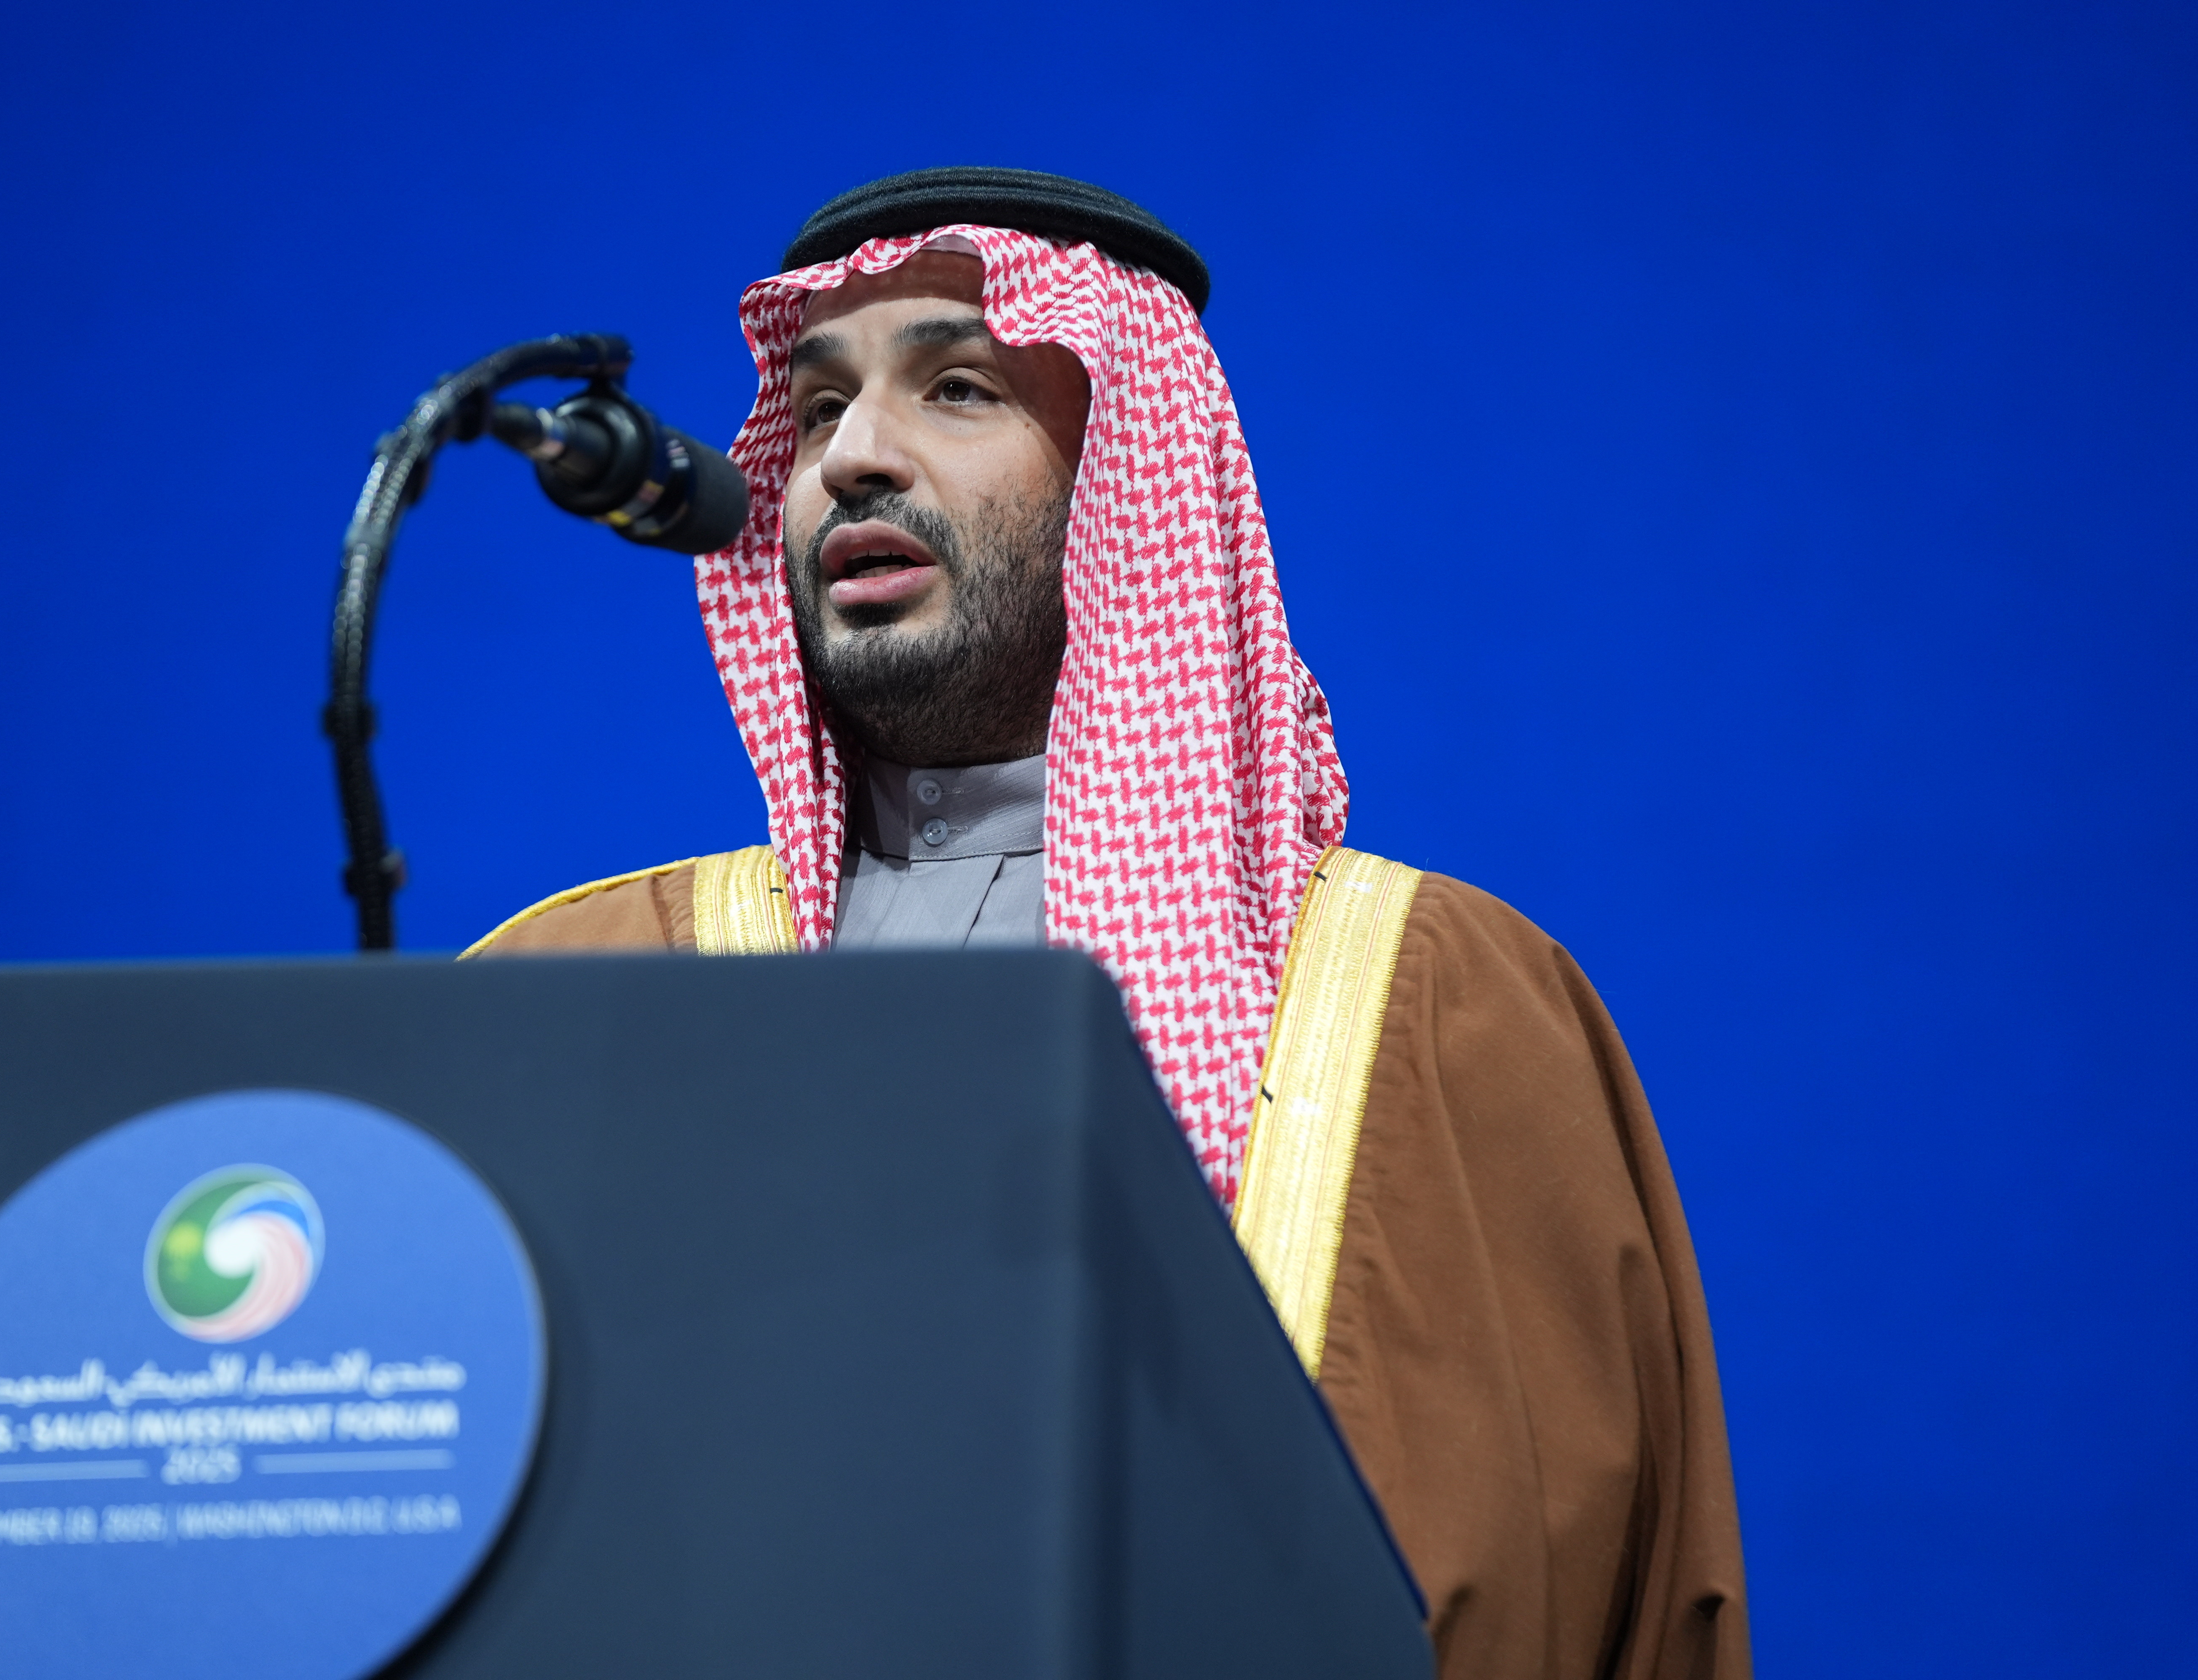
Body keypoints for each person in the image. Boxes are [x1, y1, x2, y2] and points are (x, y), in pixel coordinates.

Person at [469, 167, 1750, 1678]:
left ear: (1136, 478)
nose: (850, 462)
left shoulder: (1450, 1005)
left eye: (957, 387)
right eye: (816, 414)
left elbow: (1613, 1598)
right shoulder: (564, 991)